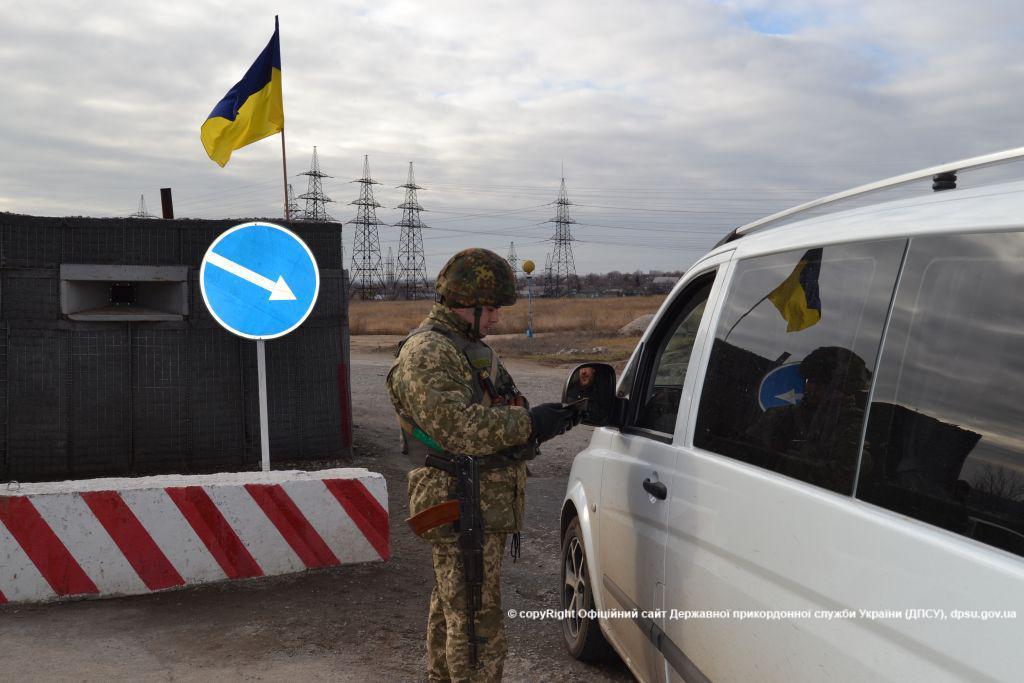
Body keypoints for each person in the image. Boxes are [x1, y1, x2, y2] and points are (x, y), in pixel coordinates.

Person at [386, 247, 579, 682]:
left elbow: (488, 410)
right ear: (465, 304)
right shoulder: (429, 352)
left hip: (476, 502)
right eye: (490, 309)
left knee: (454, 611)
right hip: (460, 505)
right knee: (476, 627)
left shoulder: (463, 347)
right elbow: (459, 428)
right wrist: (529, 423)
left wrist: (538, 421)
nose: (496, 319)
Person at [746, 346, 872, 494]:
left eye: (820, 384)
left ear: (843, 392)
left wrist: (785, 463)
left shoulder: (853, 428)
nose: (810, 387)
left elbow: (840, 478)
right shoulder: (780, 416)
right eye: (809, 380)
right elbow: (749, 452)